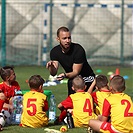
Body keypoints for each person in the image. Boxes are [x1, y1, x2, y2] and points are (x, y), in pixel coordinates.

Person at [46, 26, 95, 95]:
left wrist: (64, 75)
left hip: (87, 77)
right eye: (64, 38)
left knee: (74, 83)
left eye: (69, 38)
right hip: (74, 79)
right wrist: (51, 67)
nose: (67, 41)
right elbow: (53, 73)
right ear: (58, 39)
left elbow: (76, 72)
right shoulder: (55, 52)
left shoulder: (78, 50)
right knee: (72, 83)